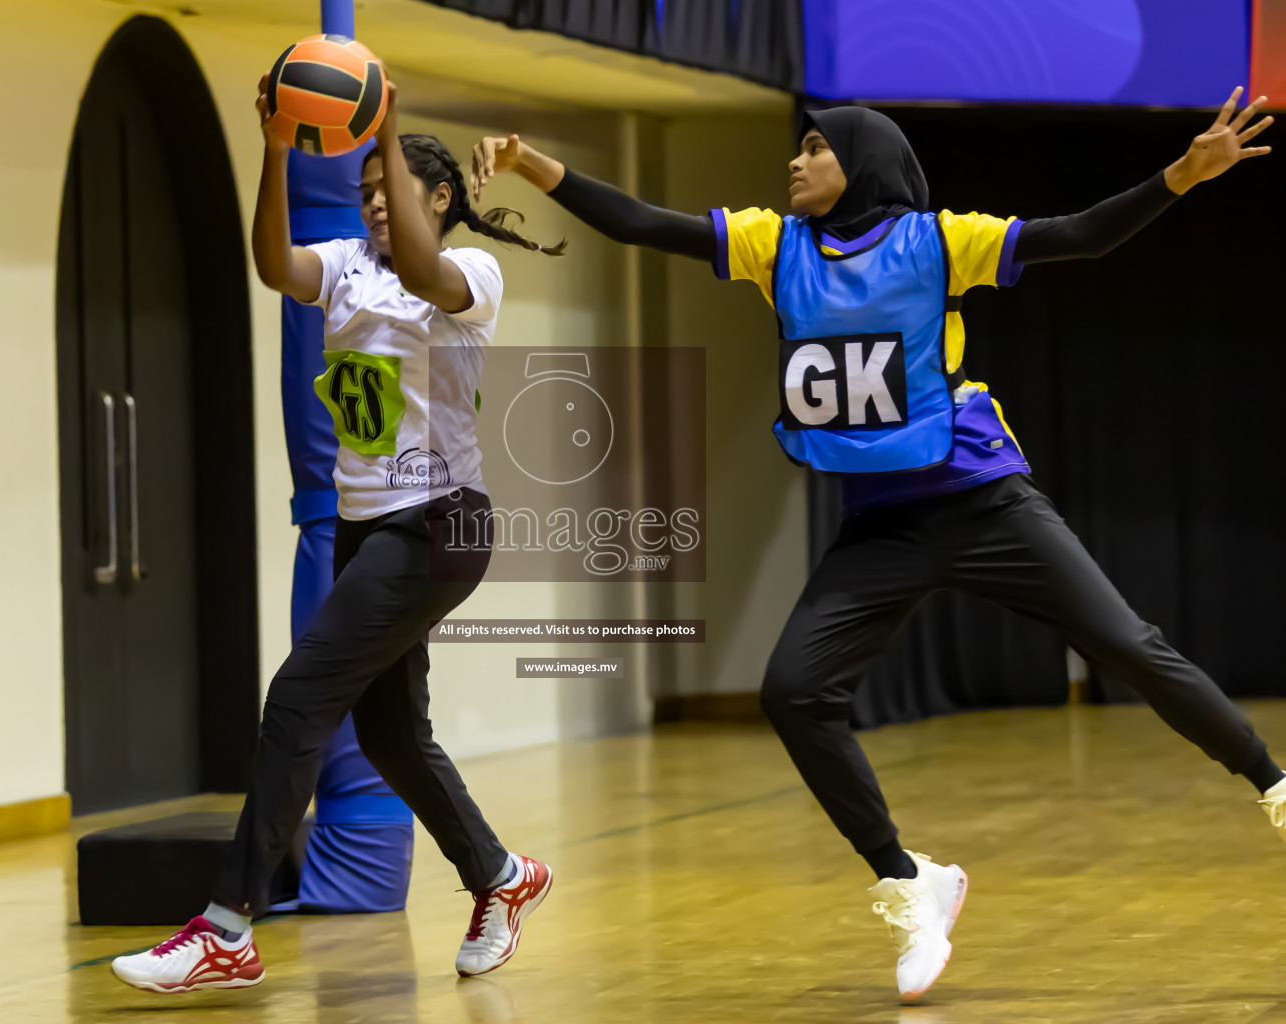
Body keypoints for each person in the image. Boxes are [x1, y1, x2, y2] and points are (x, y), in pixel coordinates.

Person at [470, 87, 1276, 1002]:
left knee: (1129, 645)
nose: (795, 161)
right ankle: (908, 882)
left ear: (860, 162)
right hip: (882, 524)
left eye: (813, 148)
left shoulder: (938, 240)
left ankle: (1275, 785)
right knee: (792, 692)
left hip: (982, 501)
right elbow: (642, 223)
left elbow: (1079, 235)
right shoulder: (776, 248)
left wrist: (1181, 173)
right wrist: (536, 166)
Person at [111, 74, 563, 993]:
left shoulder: (471, 276)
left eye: (386, 191)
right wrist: (277, 145)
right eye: (361, 196)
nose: (372, 208)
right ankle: (501, 877)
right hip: (366, 532)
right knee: (392, 735)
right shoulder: (346, 265)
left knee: (296, 700)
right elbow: (275, 264)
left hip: (439, 526)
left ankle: (227, 926)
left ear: (436, 198)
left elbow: (429, 270)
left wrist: (385, 127)